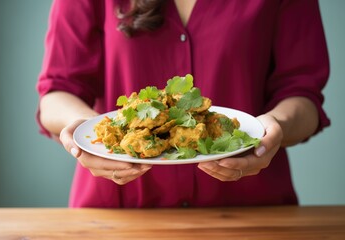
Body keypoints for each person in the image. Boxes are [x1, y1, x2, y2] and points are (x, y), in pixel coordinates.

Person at [36, 0, 330, 208]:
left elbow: (302, 93)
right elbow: (58, 92)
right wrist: (89, 130)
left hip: (251, 210)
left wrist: (277, 125)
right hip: (116, 214)